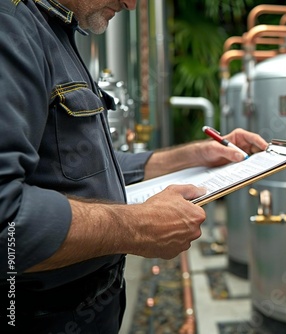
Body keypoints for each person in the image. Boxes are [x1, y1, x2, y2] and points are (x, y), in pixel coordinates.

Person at [0, 0, 268, 332]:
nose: (131, 3)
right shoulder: (10, 27)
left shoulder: (57, 31)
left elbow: (87, 168)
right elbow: (7, 222)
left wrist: (194, 156)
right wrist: (138, 227)